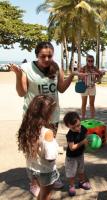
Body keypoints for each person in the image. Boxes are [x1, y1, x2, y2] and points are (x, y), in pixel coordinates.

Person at [9, 41, 80, 196]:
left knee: (49, 151)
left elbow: (61, 88)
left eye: (50, 55)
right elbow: (22, 92)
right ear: (36, 55)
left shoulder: (56, 67)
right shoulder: (27, 68)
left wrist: (72, 75)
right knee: (33, 150)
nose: (47, 59)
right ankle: (34, 181)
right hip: (33, 118)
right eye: (43, 56)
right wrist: (19, 75)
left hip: (52, 116)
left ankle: (50, 178)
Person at [17, 95, 60, 200]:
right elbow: (50, 157)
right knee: (46, 196)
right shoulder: (47, 132)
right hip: (45, 171)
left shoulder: (26, 127)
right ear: (47, 114)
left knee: (42, 194)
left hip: (31, 169)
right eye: (52, 112)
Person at [63, 112, 91, 196]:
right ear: (68, 126)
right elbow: (72, 147)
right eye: (73, 127)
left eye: (78, 125)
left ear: (80, 121)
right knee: (71, 173)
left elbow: (86, 136)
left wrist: (89, 144)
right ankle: (71, 186)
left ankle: (81, 182)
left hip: (80, 155)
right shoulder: (70, 135)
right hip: (71, 158)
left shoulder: (83, 128)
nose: (77, 128)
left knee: (81, 170)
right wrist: (83, 142)